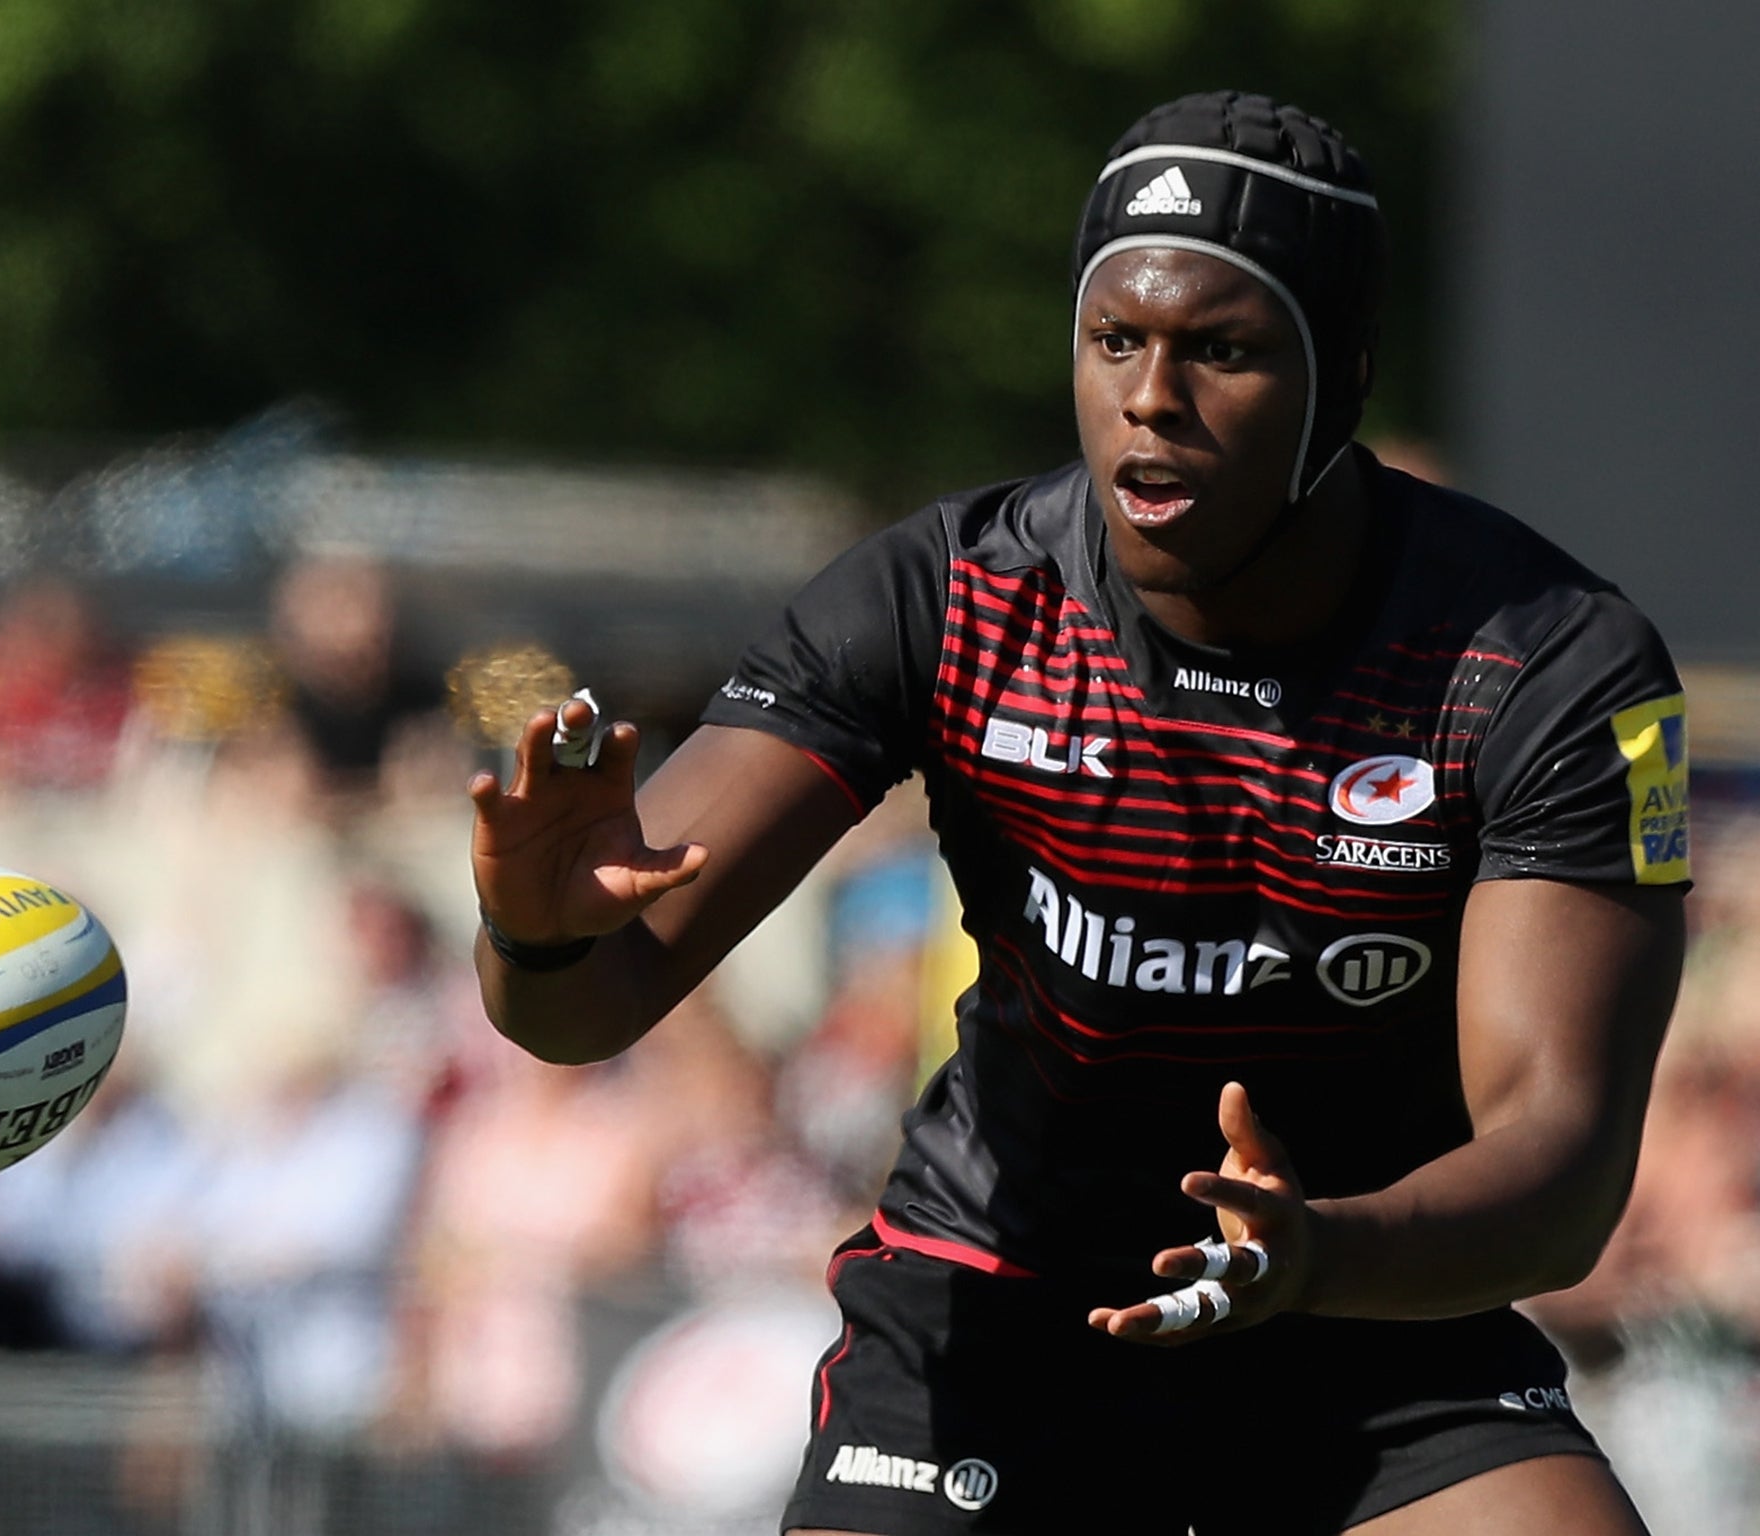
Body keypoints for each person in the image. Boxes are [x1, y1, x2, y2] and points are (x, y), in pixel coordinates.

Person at [467, 91, 1690, 1535]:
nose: (1150, 399)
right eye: (1117, 341)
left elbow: (1562, 1173)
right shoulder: (941, 596)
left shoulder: (1554, 663)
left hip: (1370, 1305)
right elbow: (587, 1010)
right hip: (999, 1311)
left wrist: (1318, 1256)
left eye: (1221, 350)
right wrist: (535, 940)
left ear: (1343, 375)